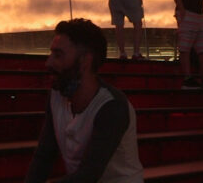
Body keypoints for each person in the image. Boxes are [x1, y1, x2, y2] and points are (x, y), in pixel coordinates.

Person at [25, 18, 143, 183]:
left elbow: (89, 174)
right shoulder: (56, 96)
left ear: (85, 61)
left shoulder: (112, 107)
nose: (48, 62)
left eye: (58, 55)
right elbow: (44, 155)